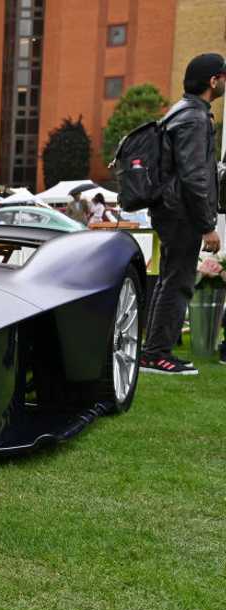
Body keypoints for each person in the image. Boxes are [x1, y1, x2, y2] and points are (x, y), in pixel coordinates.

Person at [140, 53, 225, 376]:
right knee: (179, 282)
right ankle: (157, 354)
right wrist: (207, 226)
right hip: (181, 212)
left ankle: (153, 351)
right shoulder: (194, 118)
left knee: (170, 280)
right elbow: (194, 176)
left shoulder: (183, 111)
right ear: (213, 80)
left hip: (170, 208)